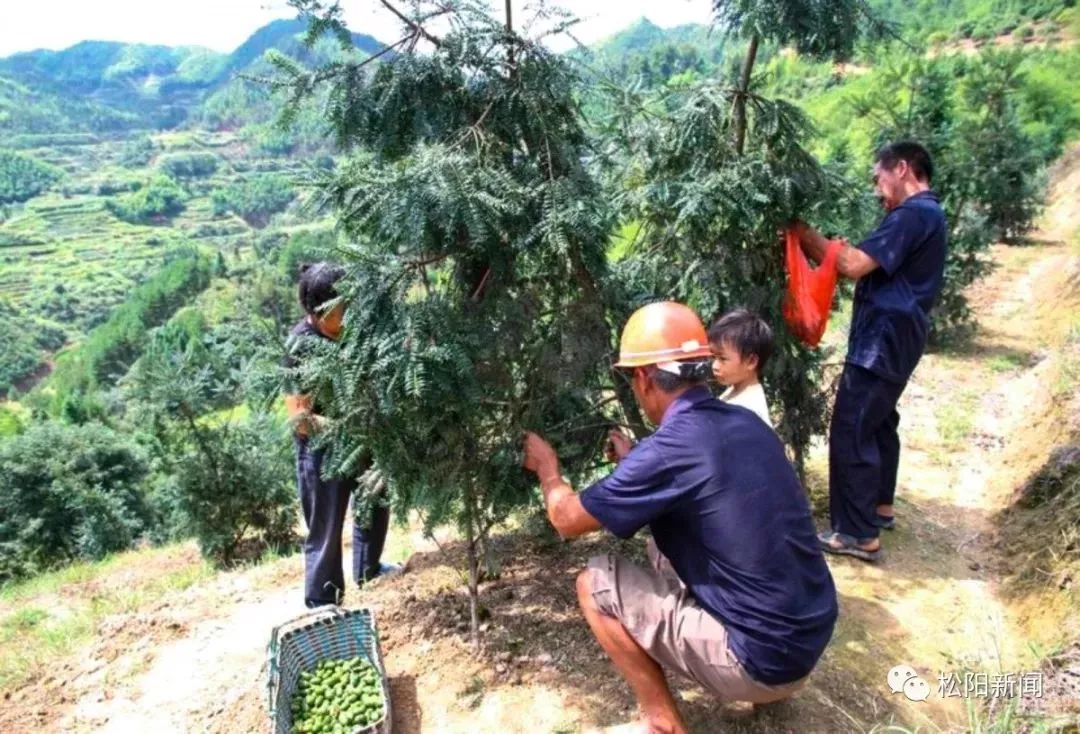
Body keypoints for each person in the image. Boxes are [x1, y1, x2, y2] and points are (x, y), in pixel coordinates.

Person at [522, 301, 838, 734]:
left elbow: (565, 519)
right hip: (810, 638)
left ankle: (662, 722)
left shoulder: (670, 449)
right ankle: (763, 682)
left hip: (762, 663)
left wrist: (548, 469)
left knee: (593, 584)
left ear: (643, 379)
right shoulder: (748, 423)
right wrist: (635, 463)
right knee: (662, 546)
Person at [793, 141, 947, 562]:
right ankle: (879, 506)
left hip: (882, 340)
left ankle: (857, 533)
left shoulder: (913, 215)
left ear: (901, 169)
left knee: (852, 427)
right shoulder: (928, 215)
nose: (877, 189)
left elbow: (853, 264)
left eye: (878, 178)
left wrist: (801, 231)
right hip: (899, 338)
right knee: (879, 422)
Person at [283, 262, 397, 608]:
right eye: (340, 308)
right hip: (321, 450)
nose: (349, 314)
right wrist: (345, 426)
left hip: (363, 435)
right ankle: (323, 600)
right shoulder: (300, 346)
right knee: (326, 525)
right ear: (318, 312)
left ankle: (370, 569)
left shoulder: (354, 330)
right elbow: (300, 418)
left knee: (375, 499)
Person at [708, 308, 774, 427]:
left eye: (722, 359)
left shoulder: (749, 410)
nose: (715, 366)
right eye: (713, 357)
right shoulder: (734, 390)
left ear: (751, 361)